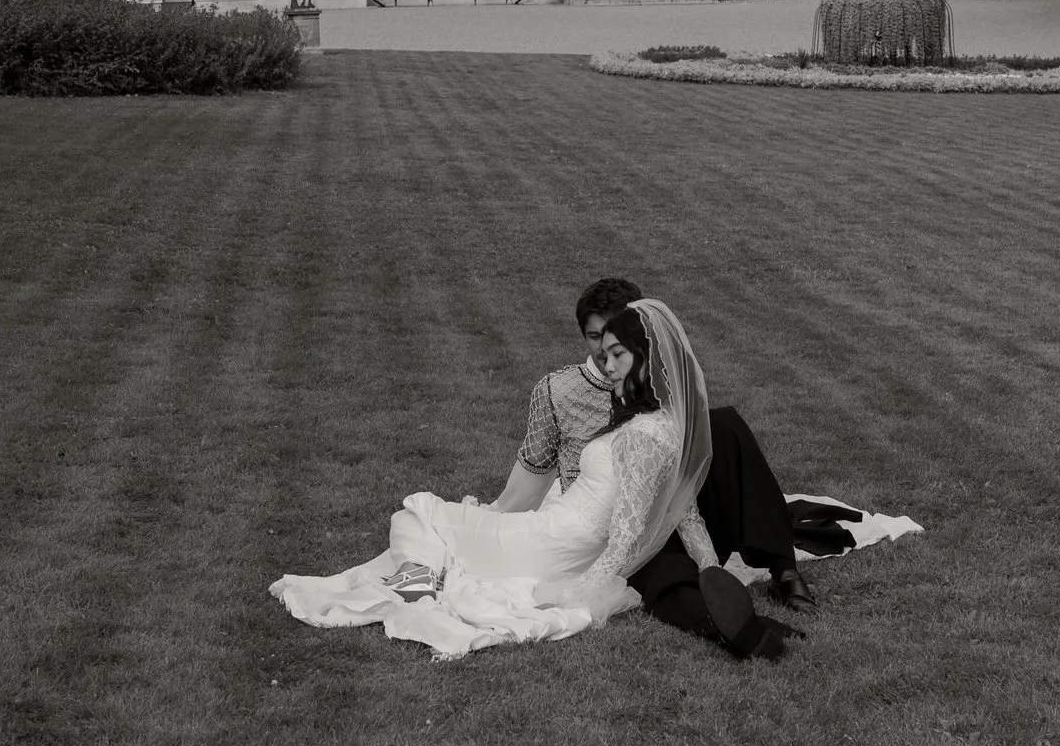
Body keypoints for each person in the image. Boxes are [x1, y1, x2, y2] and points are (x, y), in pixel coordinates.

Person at [274, 299, 783, 658]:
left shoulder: (643, 436)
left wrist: (582, 591)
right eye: (603, 355)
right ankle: (425, 584)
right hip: (555, 530)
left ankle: (420, 596)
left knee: (418, 512)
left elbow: (626, 533)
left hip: (552, 541)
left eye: (618, 356)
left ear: (647, 357)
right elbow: (687, 511)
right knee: (440, 524)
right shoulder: (664, 427)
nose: (606, 367)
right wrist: (713, 571)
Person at [493, 278, 816, 647]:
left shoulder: (664, 387)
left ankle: (781, 569)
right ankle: (729, 622)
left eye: (616, 341)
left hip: (664, 508)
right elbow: (534, 474)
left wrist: (709, 562)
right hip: (607, 523)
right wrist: (501, 513)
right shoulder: (558, 390)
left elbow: (683, 493)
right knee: (662, 574)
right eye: (594, 337)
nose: (604, 353)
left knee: (723, 424)